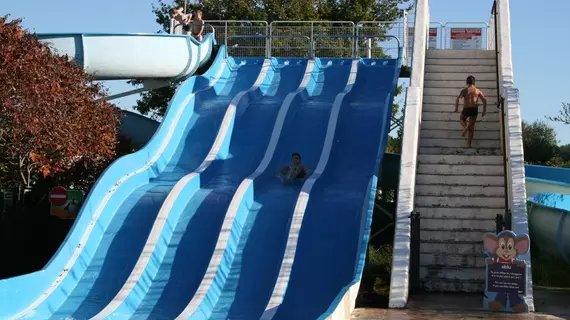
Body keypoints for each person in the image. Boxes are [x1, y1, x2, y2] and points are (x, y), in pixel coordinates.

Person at [455, 75, 487, 148]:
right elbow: (484, 100)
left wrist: (456, 107)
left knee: (461, 119)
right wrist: (484, 111)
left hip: (466, 108)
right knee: (471, 128)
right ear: (474, 83)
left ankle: (466, 128)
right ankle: (469, 144)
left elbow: (458, 99)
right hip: (474, 109)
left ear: (467, 82)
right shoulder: (477, 91)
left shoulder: (464, 90)